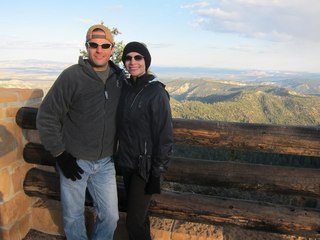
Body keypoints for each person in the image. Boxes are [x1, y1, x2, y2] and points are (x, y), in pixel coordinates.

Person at [36, 23, 126, 240]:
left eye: (105, 45)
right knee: (73, 217)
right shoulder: (72, 76)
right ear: (87, 46)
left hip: (105, 163)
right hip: (74, 160)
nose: (99, 50)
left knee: (111, 216)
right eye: (94, 44)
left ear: (112, 48)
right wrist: (60, 154)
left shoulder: (119, 78)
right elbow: (46, 116)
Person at [117, 41, 173, 240]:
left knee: (132, 222)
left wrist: (157, 172)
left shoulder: (156, 92)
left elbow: (164, 136)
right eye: (128, 58)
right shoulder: (126, 87)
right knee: (140, 219)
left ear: (146, 61)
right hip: (127, 164)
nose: (132, 62)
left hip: (145, 168)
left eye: (138, 57)